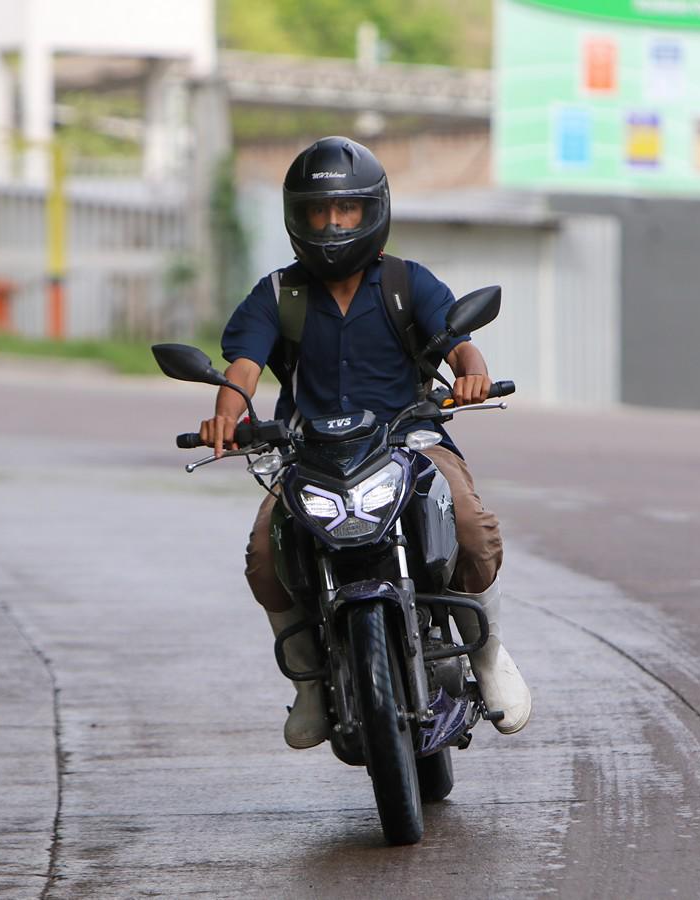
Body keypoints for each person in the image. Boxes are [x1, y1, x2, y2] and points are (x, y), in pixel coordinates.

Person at [199, 136, 531, 749]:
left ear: (370, 211)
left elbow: (457, 336)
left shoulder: (406, 282)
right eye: (319, 212)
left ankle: (487, 657)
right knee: (265, 554)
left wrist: (471, 371)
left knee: (468, 523)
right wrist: (226, 412)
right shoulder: (279, 295)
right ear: (297, 216)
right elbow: (243, 367)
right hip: (310, 455)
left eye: (345, 210)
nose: (332, 224)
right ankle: (308, 684)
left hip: (412, 439)